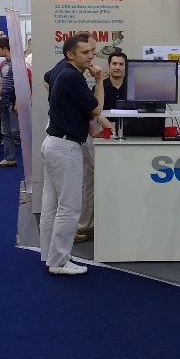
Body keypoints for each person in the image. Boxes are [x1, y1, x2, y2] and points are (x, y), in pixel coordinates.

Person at [41, 34, 104, 275]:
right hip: (65, 147)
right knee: (69, 207)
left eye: (92, 51)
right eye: (85, 52)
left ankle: (49, 254)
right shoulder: (73, 76)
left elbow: (46, 79)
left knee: (52, 205)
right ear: (70, 54)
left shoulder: (61, 69)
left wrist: (65, 106)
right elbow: (97, 108)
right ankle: (58, 261)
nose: (91, 56)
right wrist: (99, 80)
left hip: (54, 142)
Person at [75, 51, 124, 243]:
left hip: (125, 140)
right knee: (90, 182)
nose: (117, 67)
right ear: (109, 66)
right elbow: (93, 110)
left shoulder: (132, 87)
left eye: (121, 64)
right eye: (114, 64)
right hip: (101, 139)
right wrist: (106, 125)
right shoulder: (99, 86)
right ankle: (86, 225)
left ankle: (113, 223)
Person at [0, 37, 18, 167]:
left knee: (15, 130)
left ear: (5, 48)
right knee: (6, 130)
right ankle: (9, 157)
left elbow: (20, 84)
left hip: (13, 99)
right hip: (4, 100)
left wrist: (18, 101)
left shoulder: (17, 64)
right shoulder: (3, 64)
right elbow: (1, 84)